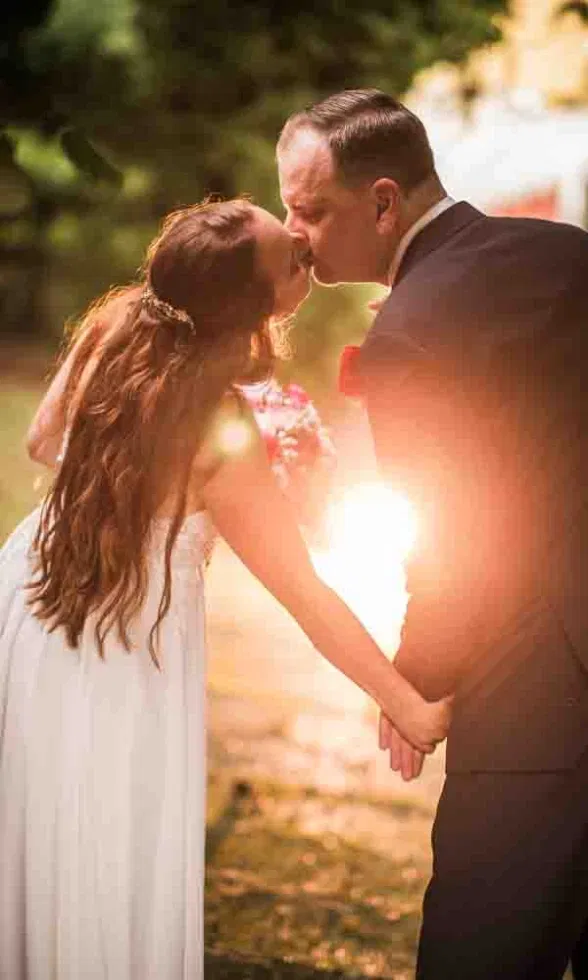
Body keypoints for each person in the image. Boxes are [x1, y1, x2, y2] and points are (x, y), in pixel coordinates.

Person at [0, 198, 449, 980]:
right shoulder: (221, 429)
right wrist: (411, 704)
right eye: (294, 262)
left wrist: (123, 473)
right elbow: (303, 592)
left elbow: (45, 441)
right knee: (108, 833)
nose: (307, 255)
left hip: (33, 594)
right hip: (124, 647)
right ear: (260, 305)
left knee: (36, 820)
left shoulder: (118, 325)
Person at [277, 89, 588, 980]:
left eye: (312, 209)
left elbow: (457, 536)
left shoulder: (412, 330)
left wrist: (416, 676)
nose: (295, 232)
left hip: (535, 697)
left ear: (383, 202)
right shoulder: (565, 253)